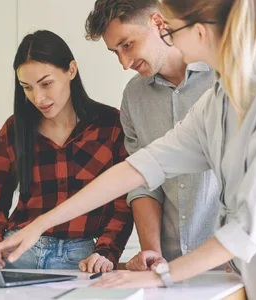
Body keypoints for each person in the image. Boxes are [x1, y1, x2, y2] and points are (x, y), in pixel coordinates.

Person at [0, 1, 256, 299]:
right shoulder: (215, 103)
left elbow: (249, 228)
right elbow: (141, 167)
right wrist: (41, 224)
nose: (168, 35)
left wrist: (159, 277)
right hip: (248, 271)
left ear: (197, 32)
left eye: (172, 28)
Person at [84, 0, 222, 272]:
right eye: (115, 52)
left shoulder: (222, 78)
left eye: (127, 45)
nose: (124, 63)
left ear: (158, 23)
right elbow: (143, 183)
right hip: (169, 266)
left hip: (228, 261)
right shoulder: (133, 97)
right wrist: (152, 253)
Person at [0, 30, 133, 273]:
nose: (38, 98)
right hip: (18, 251)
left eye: (46, 83)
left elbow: (124, 203)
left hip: (82, 258)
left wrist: (106, 252)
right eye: (27, 88)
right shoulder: (13, 130)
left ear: (71, 70)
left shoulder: (111, 125)